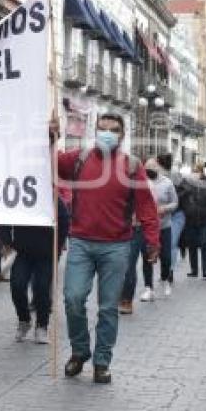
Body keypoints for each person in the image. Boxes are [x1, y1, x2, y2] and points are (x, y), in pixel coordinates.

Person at [56, 113, 160, 384]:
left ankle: (102, 361)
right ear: (95, 131)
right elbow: (48, 164)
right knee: (73, 299)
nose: (107, 134)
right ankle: (80, 351)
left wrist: (152, 241)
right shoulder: (78, 159)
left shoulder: (131, 166)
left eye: (113, 130)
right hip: (80, 242)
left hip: (116, 246)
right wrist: (49, 136)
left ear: (122, 135)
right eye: (102, 129)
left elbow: (146, 206)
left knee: (107, 308)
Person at [3, 127, 70, 343]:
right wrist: (7, 241)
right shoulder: (20, 188)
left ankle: (42, 325)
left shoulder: (53, 195)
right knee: (17, 286)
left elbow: (65, 218)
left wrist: (57, 246)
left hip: (46, 251)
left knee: (42, 289)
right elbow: (6, 213)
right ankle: (24, 320)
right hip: (24, 250)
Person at [135, 158, 178, 301]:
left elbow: (175, 203)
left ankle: (165, 278)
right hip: (146, 227)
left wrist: (165, 208)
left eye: (152, 168)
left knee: (165, 257)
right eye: (146, 168)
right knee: (147, 256)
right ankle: (148, 288)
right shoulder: (141, 183)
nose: (149, 171)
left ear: (158, 168)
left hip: (164, 226)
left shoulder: (167, 183)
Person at [181, 164, 206, 279]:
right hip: (191, 219)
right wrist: (187, 210)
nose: (195, 174)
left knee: (205, 244)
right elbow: (181, 199)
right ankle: (194, 270)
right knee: (192, 245)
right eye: (193, 171)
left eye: (197, 171)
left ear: (202, 172)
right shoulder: (187, 185)